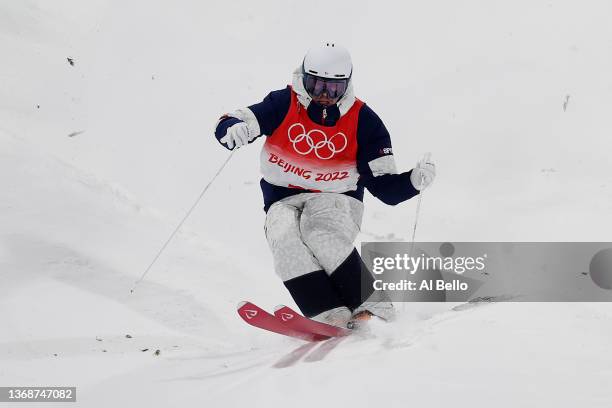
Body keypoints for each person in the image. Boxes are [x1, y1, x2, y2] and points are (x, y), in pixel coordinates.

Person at [214, 43, 436, 327]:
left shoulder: (364, 121)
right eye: (315, 85)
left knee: (319, 233)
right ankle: (330, 314)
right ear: (303, 77)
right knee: (284, 240)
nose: (323, 96)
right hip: (281, 198)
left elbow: (385, 188)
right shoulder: (284, 103)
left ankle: (376, 307)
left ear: (347, 85)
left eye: (333, 89)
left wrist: (412, 182)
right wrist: (231, 129)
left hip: (337, 197)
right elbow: (234, 120)